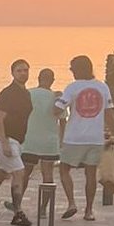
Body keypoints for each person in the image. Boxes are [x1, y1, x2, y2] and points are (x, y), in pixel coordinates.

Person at [55, 55, 114, 221]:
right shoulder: (102, 87)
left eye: (72, 68)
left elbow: (57, 109)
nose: (71, 71)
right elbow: (109, 114)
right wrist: (113, 135)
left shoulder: (72, 87)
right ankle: (89, 211)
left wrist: (55, 99)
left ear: (78, 69)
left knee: (64, 169)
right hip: (95, 138)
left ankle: (71, 203)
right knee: (90, 174)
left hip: (74, 137)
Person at [0, 59, 34, 225]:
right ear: (12, 73)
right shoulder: (7, 94)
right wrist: (4, 142)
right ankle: (18, 212)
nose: (23, 73)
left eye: (25, 70)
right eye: (19, 70)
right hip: (6, 140)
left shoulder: (26, 94)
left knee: (0, 174)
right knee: (19, 172)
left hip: (17, 141)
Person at [21, 67, 72, 216]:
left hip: (30, 140)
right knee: (48, 175)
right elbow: (63, 122)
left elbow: (20, 116)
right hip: (49, 142)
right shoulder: (57, 99)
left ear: (38, 78)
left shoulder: (28, 94)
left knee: (25, 173)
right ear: (52, 81)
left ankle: (17, 204)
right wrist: (62, 141)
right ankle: (43, 209)